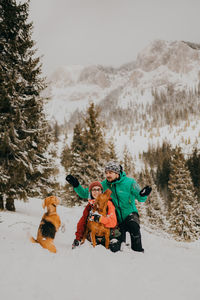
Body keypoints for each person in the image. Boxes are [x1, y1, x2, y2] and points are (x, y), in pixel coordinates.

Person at [66, 161, 152, 253]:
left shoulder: (130, 182)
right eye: (106, 173)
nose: (108, 175)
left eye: (110, 173)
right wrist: (76, 185)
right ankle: (122, 249)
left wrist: (144, 194)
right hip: (117, 218)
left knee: (133, 226)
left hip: (130, 213)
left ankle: (138, 251)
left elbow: (140, 198)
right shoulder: (104, 185)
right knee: (117, 246)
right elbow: (85, 193)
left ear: (117, 173)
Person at [70, 180, 121, 252]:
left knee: (114, 248)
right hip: (95, 235)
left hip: (109, 234)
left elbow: (113, 222)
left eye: (98, 189)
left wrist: (100, 219)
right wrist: (78, 238)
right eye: (94, 189)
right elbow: (82, 222)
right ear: (90, 192)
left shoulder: (108, 203)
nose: (96, 192)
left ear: (101, 191)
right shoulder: (89, 206)